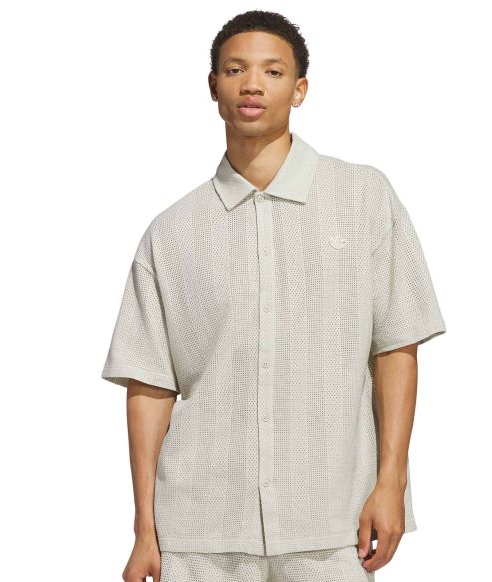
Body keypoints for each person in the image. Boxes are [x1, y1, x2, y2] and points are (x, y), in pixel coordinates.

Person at [101, 10, 447, 582]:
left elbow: (396, 346)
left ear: (300, 89)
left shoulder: (363, 198)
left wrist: (391, 482)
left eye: (273, 71)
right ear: (213, 86)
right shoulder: (172, 232)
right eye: (235, 69)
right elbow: (149, 386)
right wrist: (144, 531)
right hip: (200, 531)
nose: (253, 85)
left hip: (331, 523)